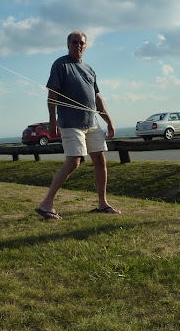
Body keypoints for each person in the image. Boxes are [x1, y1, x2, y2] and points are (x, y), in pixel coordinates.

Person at [35, 31, 119, 220]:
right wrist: (52, 120)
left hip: (91, 122)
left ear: (86, 46)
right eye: (74, 42)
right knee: (73, 162)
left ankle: (102, 203)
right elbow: (52, 94)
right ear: (68, 45)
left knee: (100, 160)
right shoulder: (60, 64)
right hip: (71, 123)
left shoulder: (89, 69)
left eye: (81, 43)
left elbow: (97, 97)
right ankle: (46, 203)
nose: (78, 45)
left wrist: (109, 122)